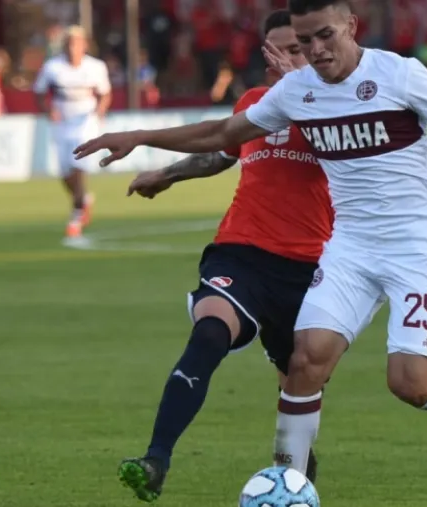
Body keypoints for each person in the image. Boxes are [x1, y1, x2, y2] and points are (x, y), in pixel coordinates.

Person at [75, 0, 427, 480]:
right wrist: (142, 135)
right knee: (305, 361)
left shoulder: (400, 75)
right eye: (305, 39)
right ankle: (289, 483)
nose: (316, 50)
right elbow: (223, 133)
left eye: (324, 36)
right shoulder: (297, 92)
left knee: (408, 384)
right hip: (350, 248)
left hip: (420, 247)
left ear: (351, 27)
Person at [116, 10, 337, 502]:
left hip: (310, 268)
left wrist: (304, 89)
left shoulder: (339, 106)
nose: (283, 61)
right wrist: (169, 173)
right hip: (241, 252)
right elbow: (222, 151)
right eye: (274, 52)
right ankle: (155, 459)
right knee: (211, 331)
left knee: (299, 384)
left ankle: (296, 472)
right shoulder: (255, 102)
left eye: (295, 50)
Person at [33, 25, 111, 240]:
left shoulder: (95, 67)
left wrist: (99, 111)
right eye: (69, 43)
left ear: (84, 45)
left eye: (76, 43)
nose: (72, 48)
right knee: (64, 172)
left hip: (86, 119)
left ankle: (76, 214)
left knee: (78, 165)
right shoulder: (52, 67)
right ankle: (84, 199)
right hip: (62, 119)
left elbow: (105, 94)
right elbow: (39, 92)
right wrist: (49, 111)